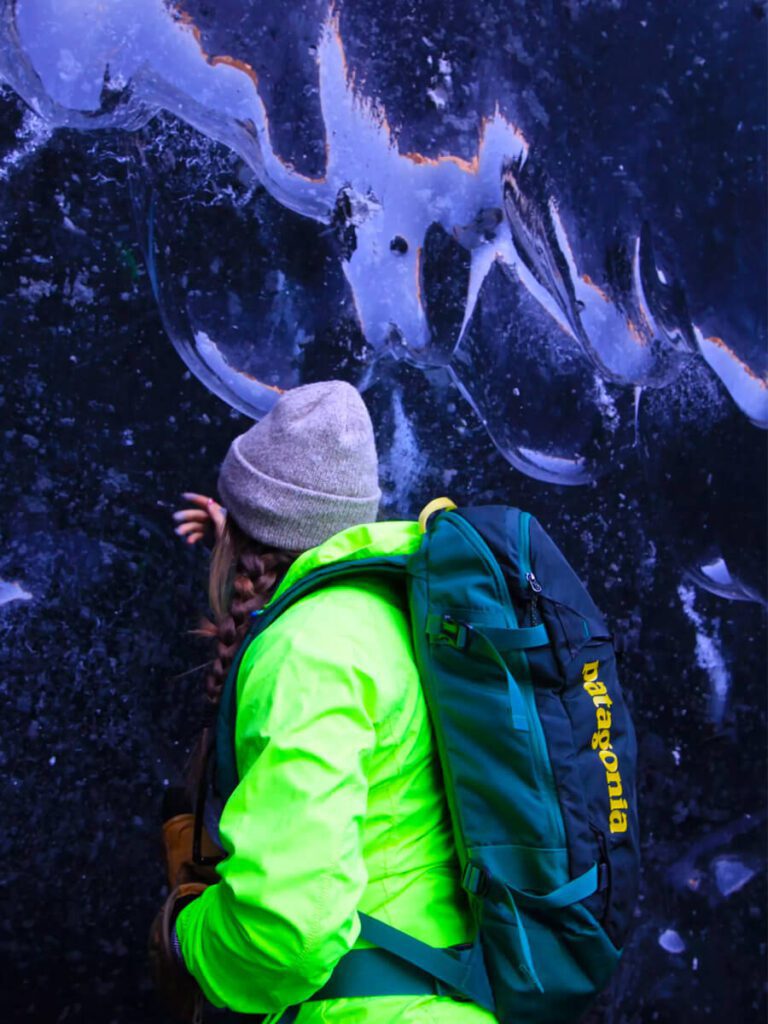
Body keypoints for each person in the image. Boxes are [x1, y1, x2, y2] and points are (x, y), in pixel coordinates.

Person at [151, 380, 495, 1023]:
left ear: (240, 543)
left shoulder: (308, 653)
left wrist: (184, 938)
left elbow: (287, 931)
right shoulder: (394, 618)